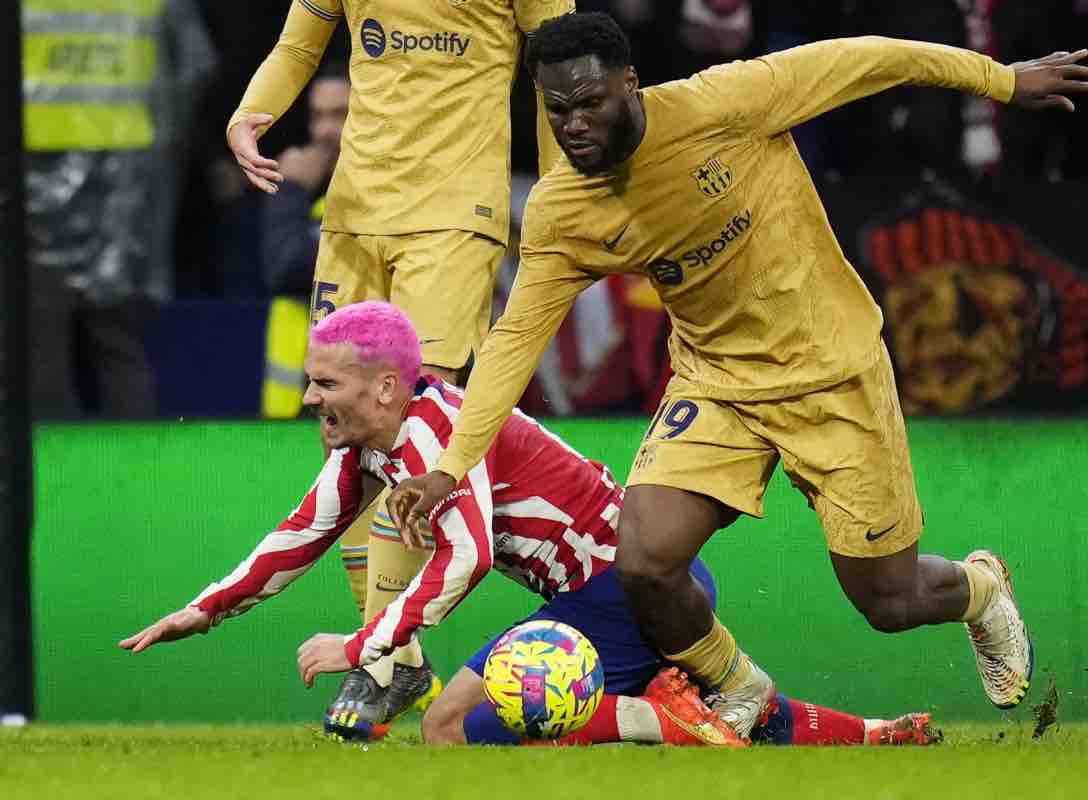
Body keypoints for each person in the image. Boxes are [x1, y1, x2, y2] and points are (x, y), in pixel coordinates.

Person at [387, 12, 1088, 736]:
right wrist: (451, 467)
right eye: (556, 108)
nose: (573, 124)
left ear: (629, 85)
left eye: (589, 102)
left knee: (889, 601)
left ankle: (980, 591)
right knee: (643, 559)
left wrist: (1002, 80)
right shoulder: (564, 209)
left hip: (832, 371)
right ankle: (740, 688)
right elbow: (514, 340)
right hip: (717, 384)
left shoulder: (726, 104)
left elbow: (868, 55)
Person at [118, 302, 936, 749]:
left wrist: (366, 646)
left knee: (447, 725)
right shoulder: (375, 440)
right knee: (711, 711)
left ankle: (661, 716)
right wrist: (201, 612)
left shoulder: (442, 431)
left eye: (325, 382)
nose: (309, 399)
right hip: (616, 596)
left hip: (618, 591)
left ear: (385, 388)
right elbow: (302, 533)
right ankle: (871, 735)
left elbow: (467, 553)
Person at [224, 0, 576, 730]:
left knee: (415, 417)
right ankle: (400, 661)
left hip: (455, 212)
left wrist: (554, 184)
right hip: (353, 212)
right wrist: (250, 112)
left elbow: (558, 64)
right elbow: (298, 44)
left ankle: (381, 657)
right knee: (347, 428)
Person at [23, 0, 215, 419]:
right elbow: (194, 69)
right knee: (116, 339)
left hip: (36, 190)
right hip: (125, 193)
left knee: (44, 340)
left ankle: (52, 470)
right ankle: (134, 465)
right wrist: (161, 154)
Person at [259, 60, 350, 419]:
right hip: (293, 405)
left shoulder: (384, 195)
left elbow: (287, 267)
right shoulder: (309, 191)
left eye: (340, 115)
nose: (326, 130)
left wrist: (291, 192)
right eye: (318, 117)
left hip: (352, 408)